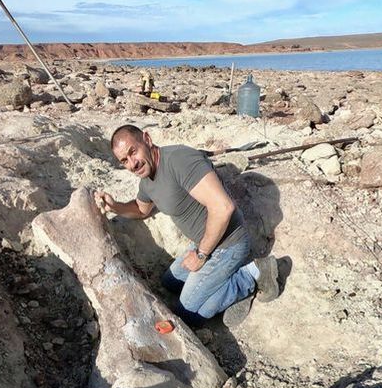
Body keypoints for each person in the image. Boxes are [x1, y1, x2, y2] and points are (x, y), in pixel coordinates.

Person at [94, 124, 279, 327]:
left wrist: (201, 254)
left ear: (146, 139)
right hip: (205, 242)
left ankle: (252, 274)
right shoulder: (147, 180)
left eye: (133, 151)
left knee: (187, 314)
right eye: (124, 161)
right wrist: (115, 206)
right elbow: (141, 210)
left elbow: (223, 207)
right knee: (170, 283)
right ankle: (222, 289)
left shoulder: (179, 160)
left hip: (228, 244)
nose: (132, 164)